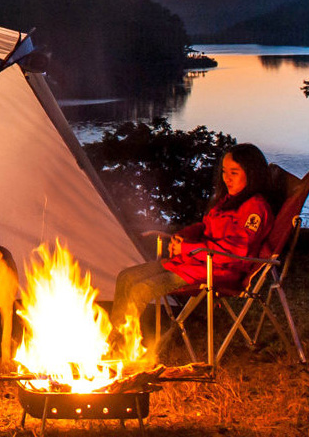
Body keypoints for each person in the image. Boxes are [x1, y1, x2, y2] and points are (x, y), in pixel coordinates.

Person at [109, 143, 279, 342]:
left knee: (142, 289)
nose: (227, 178)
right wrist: (183, 237)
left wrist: (188, 249)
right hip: (197, 263)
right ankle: (113, 339)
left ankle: (124, 347)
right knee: (127, 276)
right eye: (224, 172)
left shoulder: (255, 209)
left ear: (252, 174)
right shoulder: (229, 200)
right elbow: (205, 226)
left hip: (220, 270)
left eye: (234, 172)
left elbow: (237, 250)